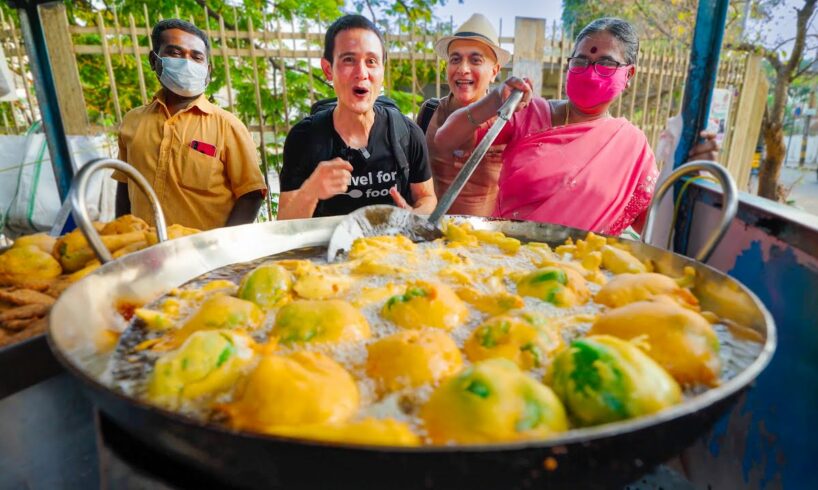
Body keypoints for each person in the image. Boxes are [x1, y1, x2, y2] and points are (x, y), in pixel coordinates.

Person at [434, 17, 719, 235]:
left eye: (605, 64)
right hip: (510, 258)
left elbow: (657, 228)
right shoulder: (529, 113)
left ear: (628, 74)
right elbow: (446, 141)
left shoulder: (631, 147)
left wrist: (694, 173)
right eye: (581, 61)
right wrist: (495, 99)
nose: (590, 72)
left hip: (581, 276)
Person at [277, 15, 436, 220]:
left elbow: (427, 198)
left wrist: (414, 216)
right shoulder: (304, 138)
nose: (362, 73)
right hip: (329, 251)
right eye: (349, 60)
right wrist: (311, 191)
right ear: (328, 69)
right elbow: (284, 225)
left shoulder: (407, 134)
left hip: (393, 249)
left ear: (382, 70)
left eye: (371, 61)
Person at [114, 19, 266, 230]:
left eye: (196, 57)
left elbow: (251, 195)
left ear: (208, 70)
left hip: (203, 256)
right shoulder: (133, 122)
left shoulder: (228, 126)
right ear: (154, 60)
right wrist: (121, 236)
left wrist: (221, 247)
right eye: (175, 53)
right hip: (144, 250)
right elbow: (125, 184)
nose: (187, 62)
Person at [417, 14, 511, 216]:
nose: (463, 69)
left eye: (475, 60)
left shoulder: (507, 121)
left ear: (494, 71)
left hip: (483, 241)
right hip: (429, 237)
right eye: (455, 59)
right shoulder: (429, 112)